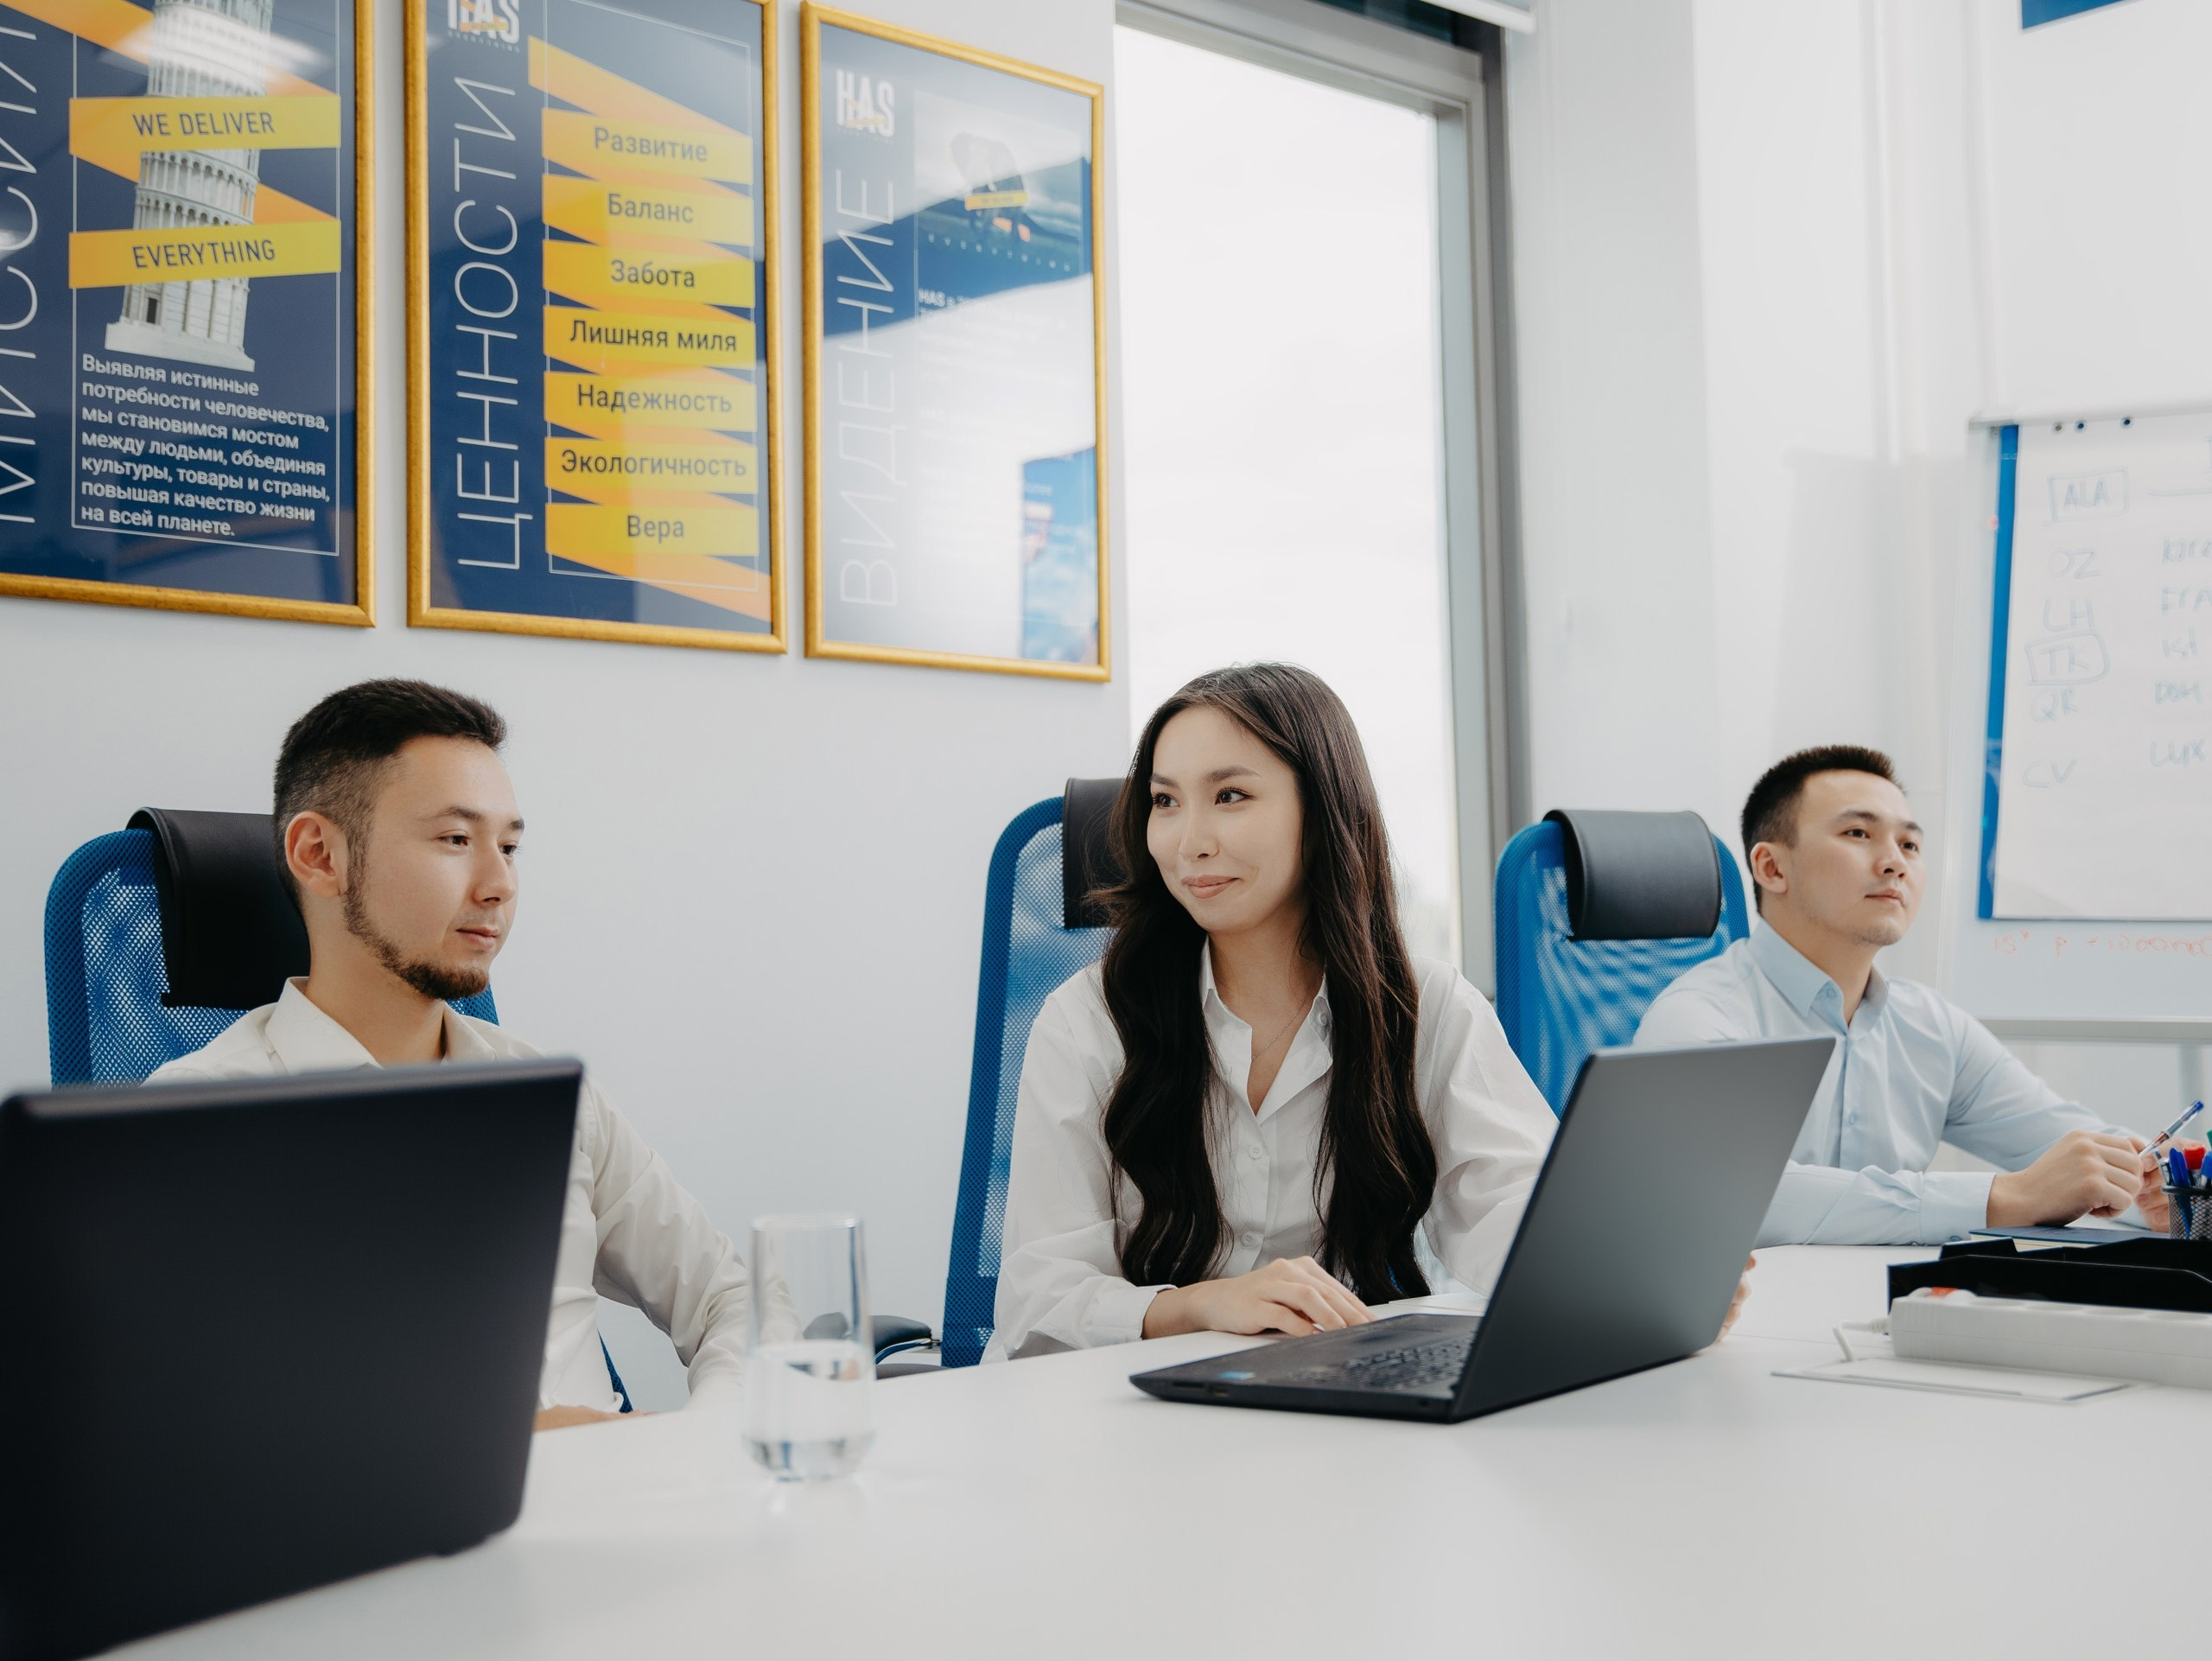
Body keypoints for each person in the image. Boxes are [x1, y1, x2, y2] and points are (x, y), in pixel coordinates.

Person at [991, 663, 1751, 1358]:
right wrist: (1201, 1306)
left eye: (1231, 796)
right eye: (1164, 802)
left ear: (1321, 814)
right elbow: (1038, 1299)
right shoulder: (1089, 1020)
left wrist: (1631, 1276)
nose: (1189, 842)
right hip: (1120, 1417)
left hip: (1337, 1401)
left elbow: (1507, 1203)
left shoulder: (1421, 1005)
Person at [149, 679, 749, 1429]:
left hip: (623, 1504)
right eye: (456, 840)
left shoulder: (549, 1094)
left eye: (510, 847)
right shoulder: (202, 1119)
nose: (499, 885)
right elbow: (213, 1420)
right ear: (319, 854)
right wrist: (526, 1444)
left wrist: (707, 1436)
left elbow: (731, 1299)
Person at [1635, 744, 2172, 1245]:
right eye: (1858, 835)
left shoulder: (1932, 1025)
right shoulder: (1699, 1018)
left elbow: (2068, 1149)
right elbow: (1730, 1196)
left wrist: (2157, 1189)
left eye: (1910, 844)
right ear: (1772, 867)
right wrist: (2005, 1197)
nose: (1895, 861)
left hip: (1894, 1312)